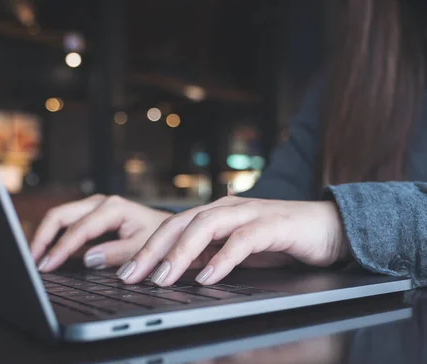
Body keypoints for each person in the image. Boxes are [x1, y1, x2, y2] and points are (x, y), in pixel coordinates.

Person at [31, 0, 427, 288]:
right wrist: (174, 225)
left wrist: (340, 226)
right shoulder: (350, 79)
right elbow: (275, 201)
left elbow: (306, 219)